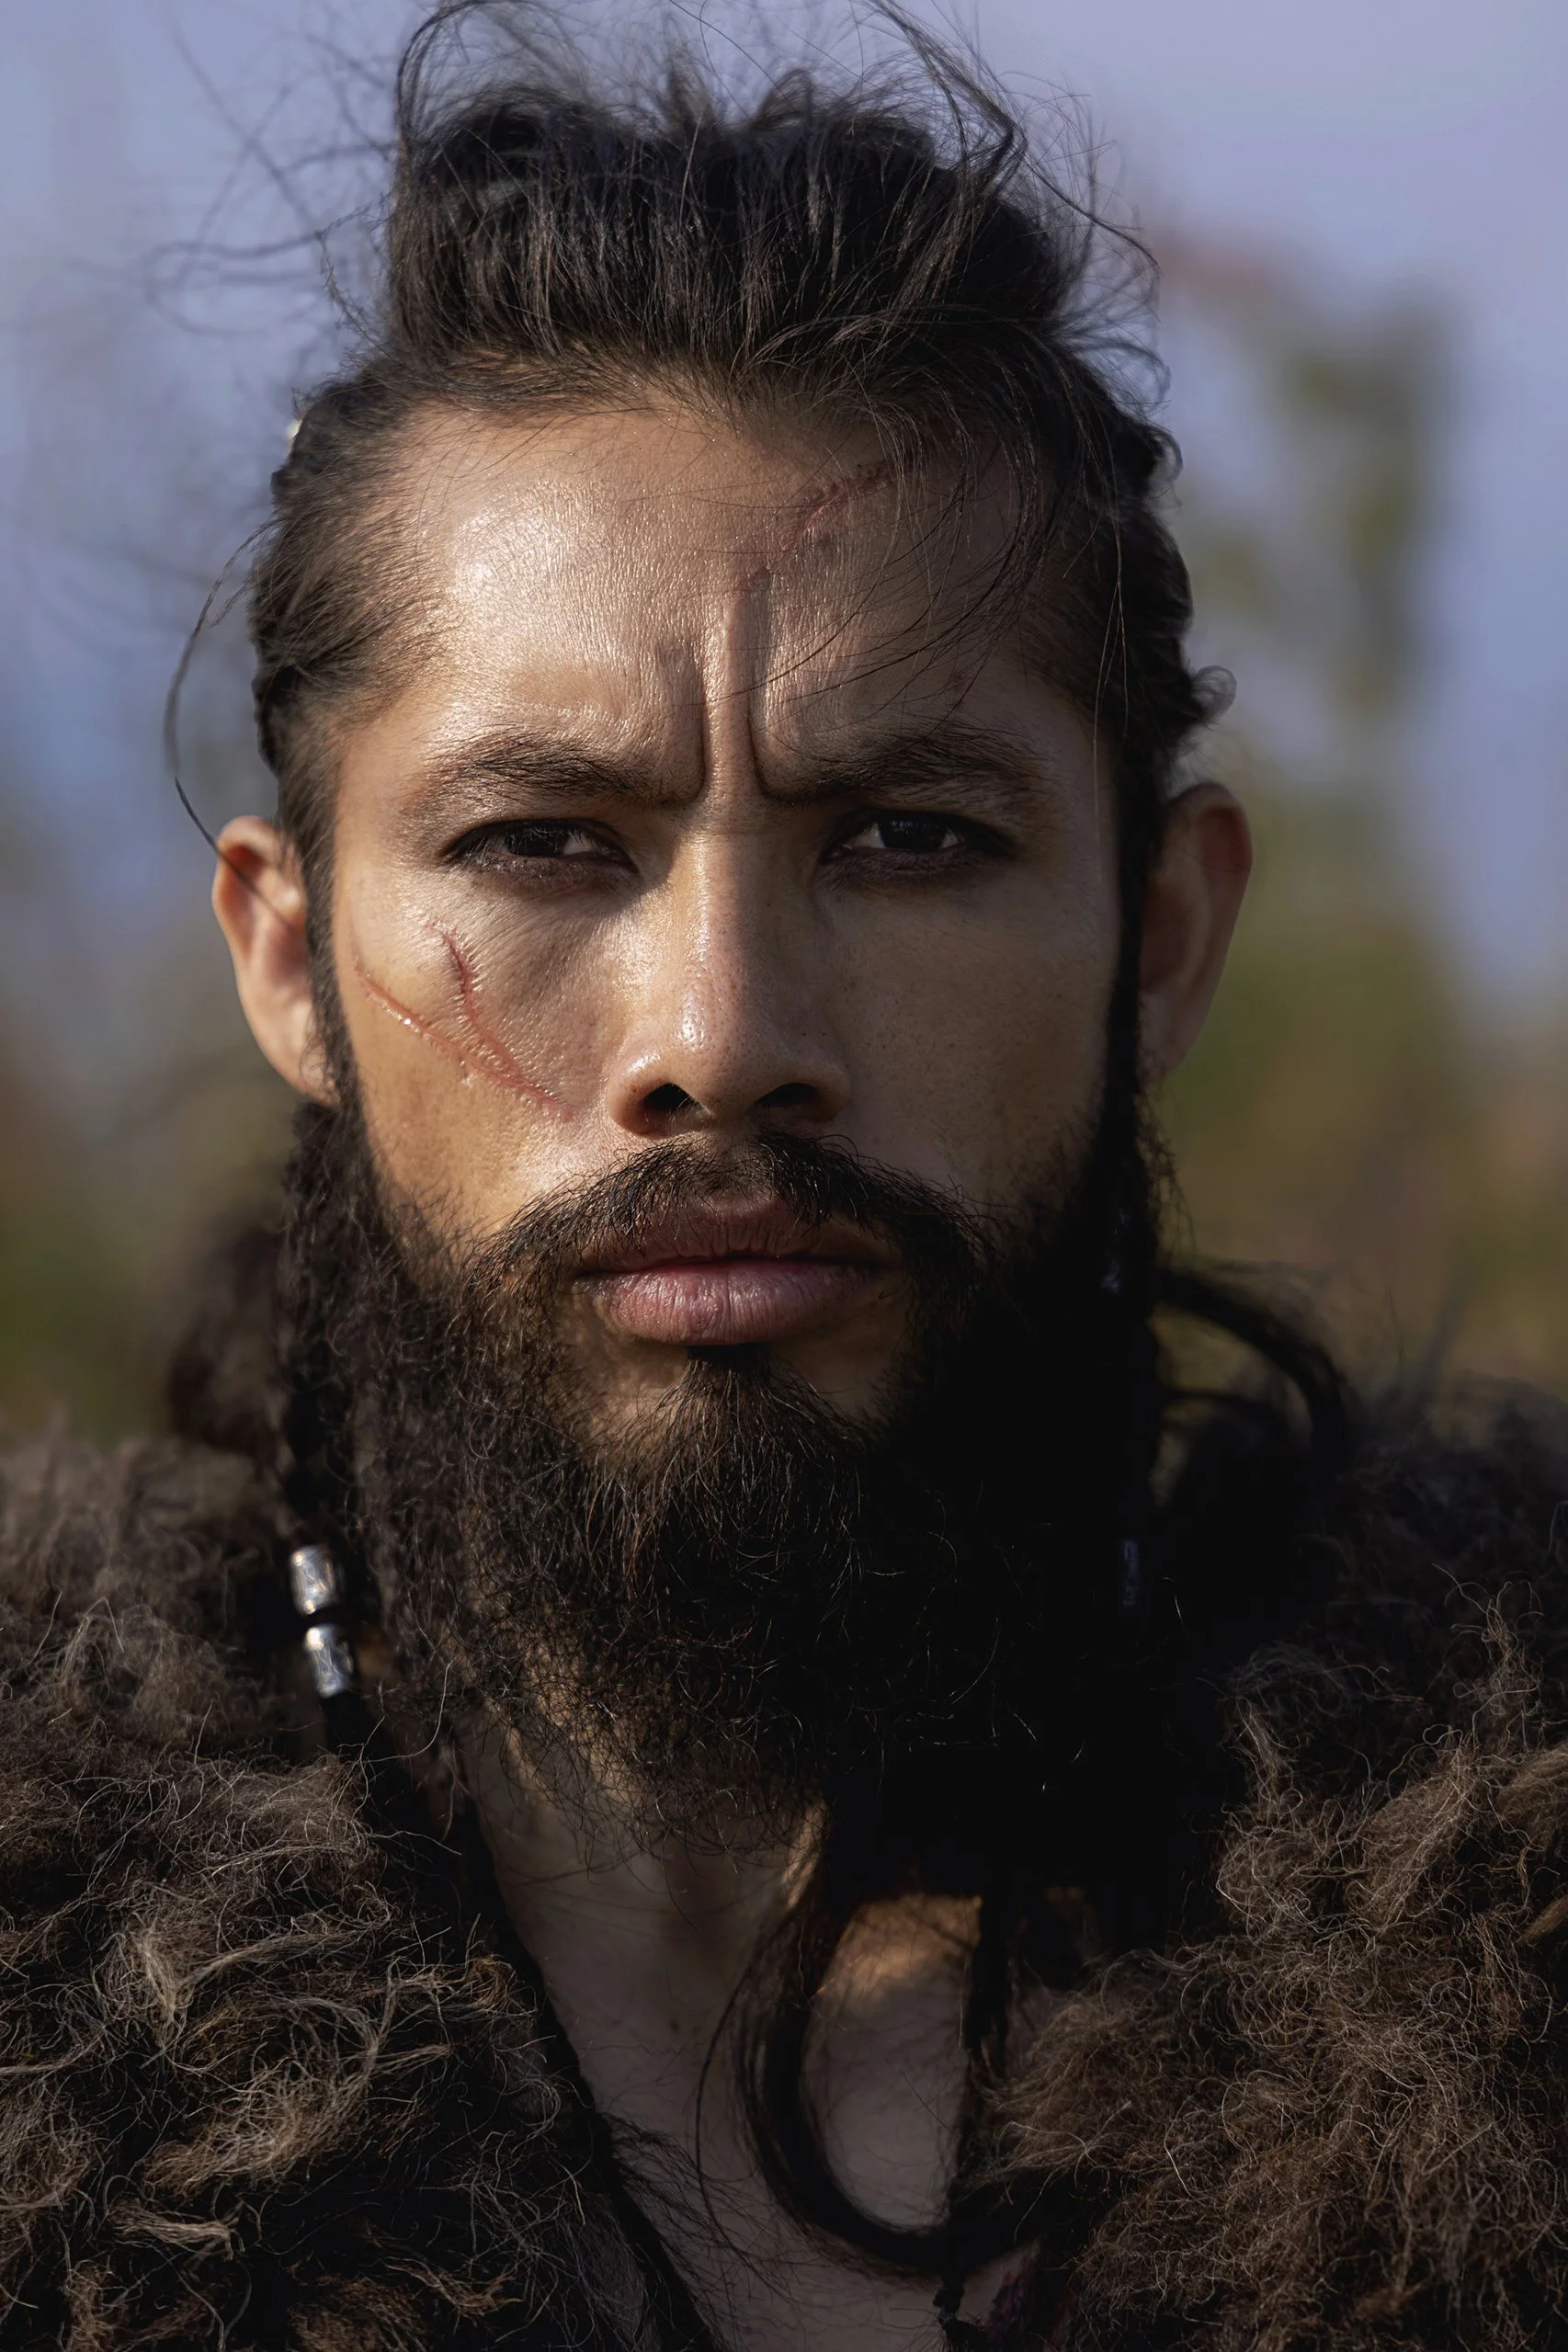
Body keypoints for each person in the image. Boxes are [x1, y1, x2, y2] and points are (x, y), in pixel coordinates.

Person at [3, 7, 1566, 2348]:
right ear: (294, 959)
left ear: (1157, 941)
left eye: (910, 839)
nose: (723, 1037)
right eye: (544, 841)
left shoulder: (1504, 1997)